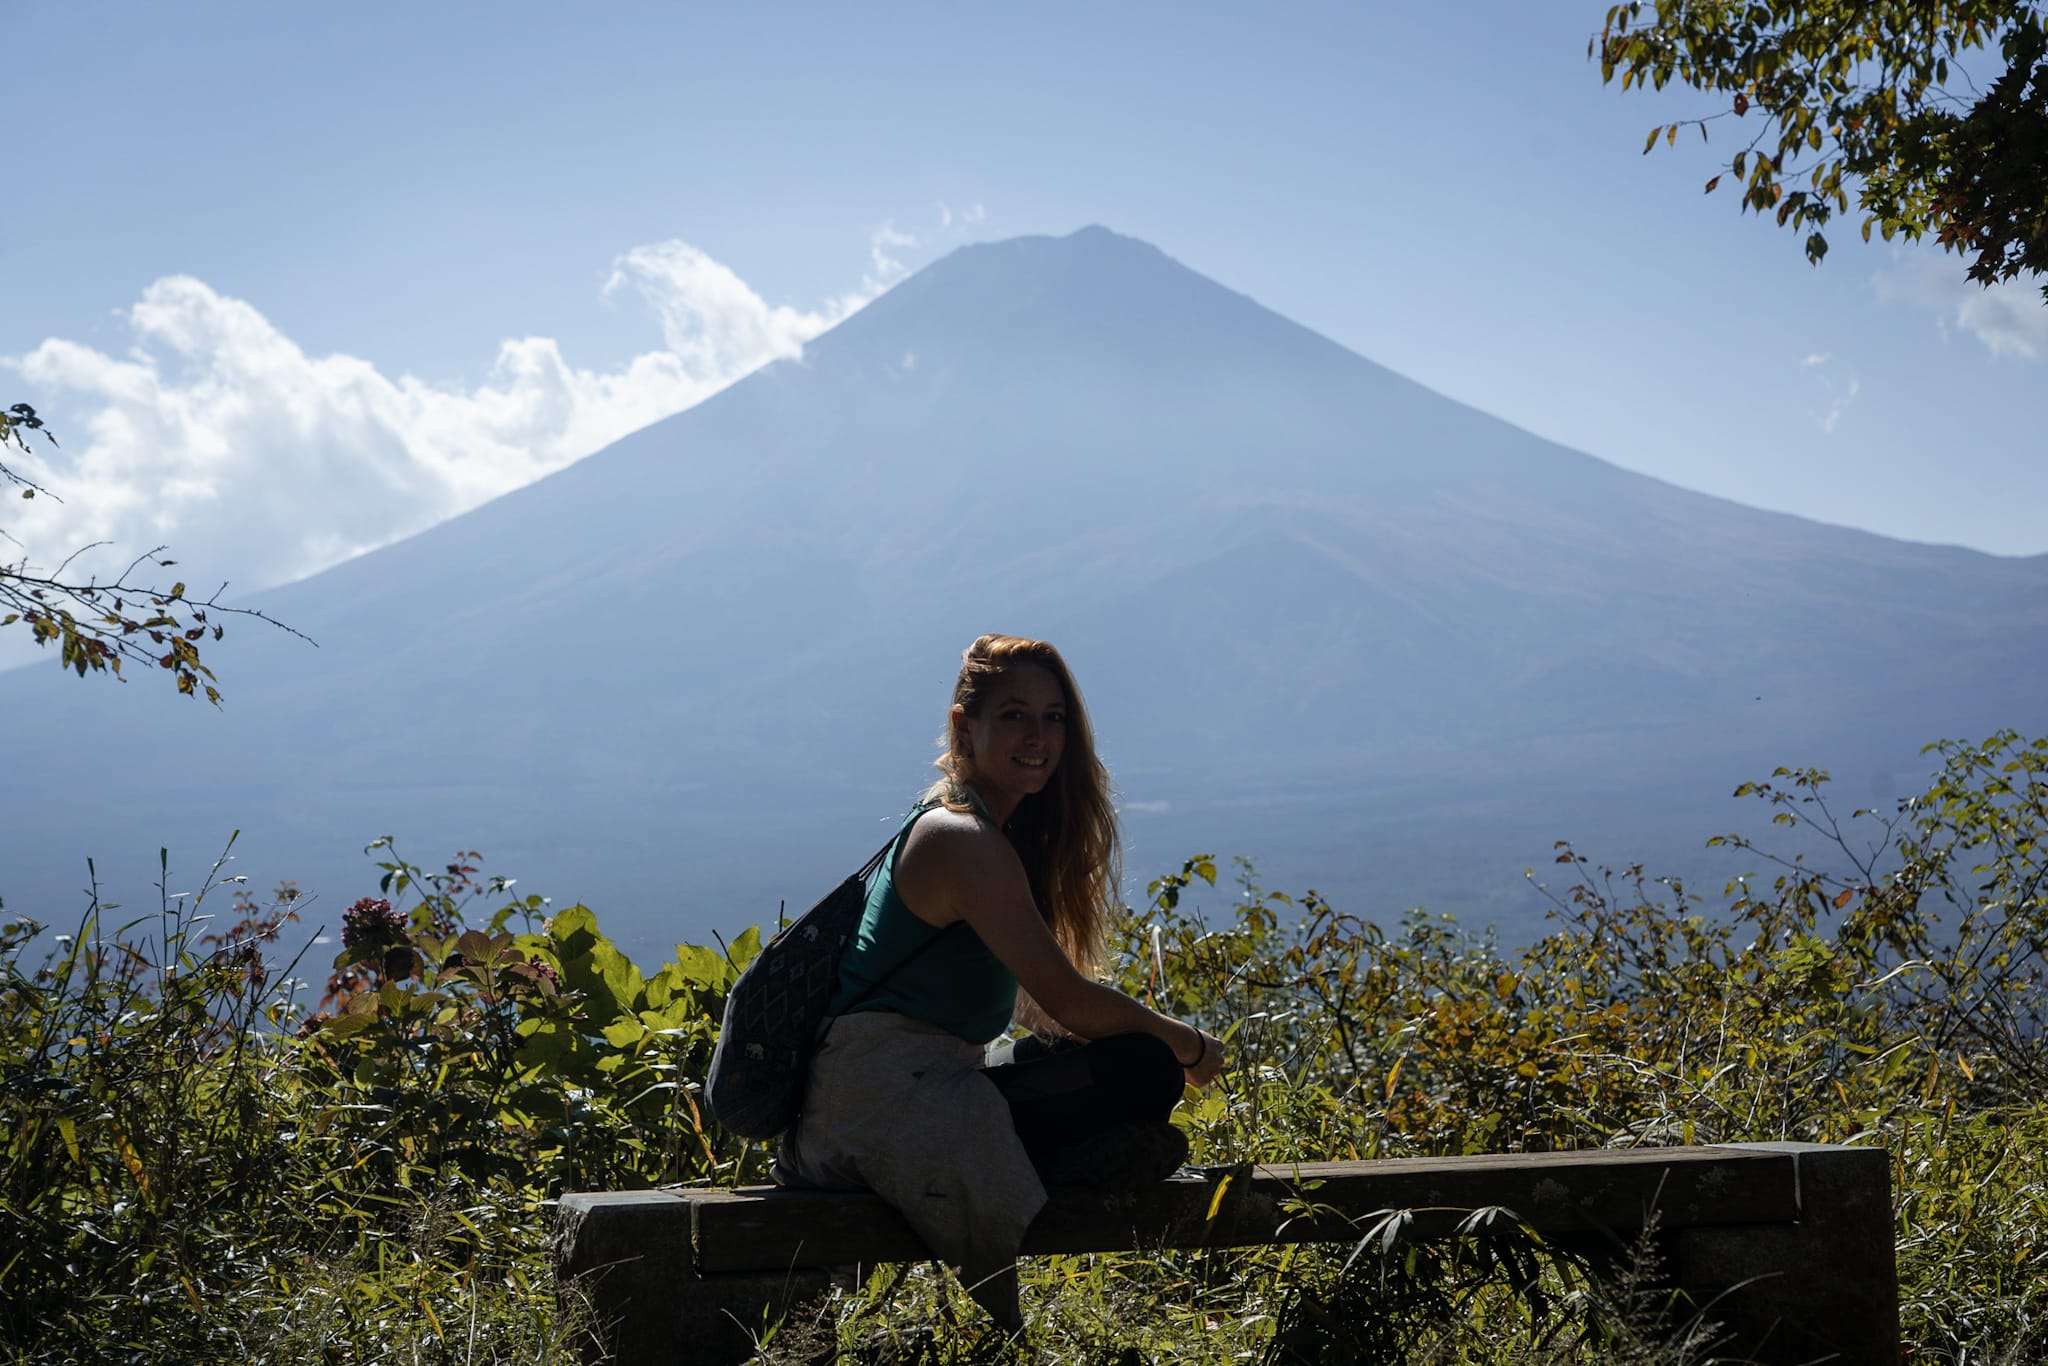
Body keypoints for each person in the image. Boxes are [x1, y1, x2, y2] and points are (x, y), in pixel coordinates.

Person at [775, 633, 1227, 1333]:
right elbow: (1069, 999)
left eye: (1053, 718)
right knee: (1145, 1067)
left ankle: (1071, 1151)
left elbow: (1046, 1013)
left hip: (904, 1085)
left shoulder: (974, 826)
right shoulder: (962, 839)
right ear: (965, 725)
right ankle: (1067, 1157)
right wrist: (1190, 1048)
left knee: (1084, 1062)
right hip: (885, 1103)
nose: (1038, 736)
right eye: (1014, 715)